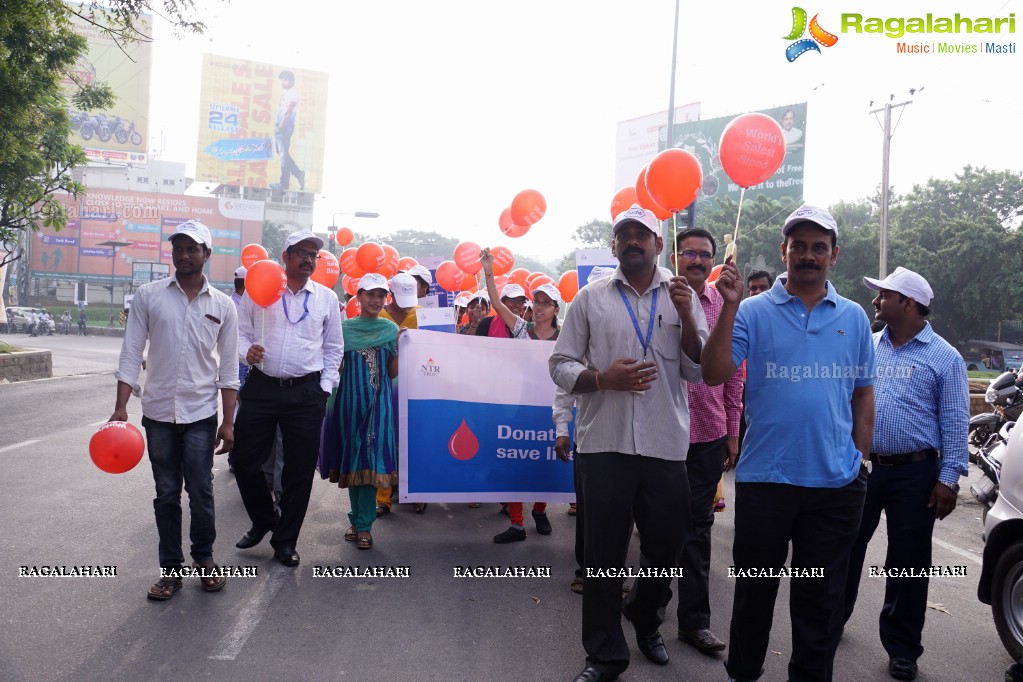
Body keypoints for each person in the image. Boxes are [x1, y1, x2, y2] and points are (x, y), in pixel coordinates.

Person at [701, 204, 875, 682]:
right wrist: (730, 305)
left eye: (819, 247)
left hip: (835, 487)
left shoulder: (855, 318)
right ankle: (744, 674)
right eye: (798, 246)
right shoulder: (753, 312)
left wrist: (860, 461)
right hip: (765, 482)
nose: (808, 255)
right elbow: (713, 372)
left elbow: (863, 394)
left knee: (819, 604)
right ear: (784, 251)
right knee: (754, 595)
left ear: (834, 256)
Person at [549, 204, 708, 682]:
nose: (634, 241)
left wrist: (687, 315)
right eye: (625, 235)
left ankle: (645, 618)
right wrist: (601, 379)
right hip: (604, 445)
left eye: (643, 234)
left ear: (660, 245)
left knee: (665, 549)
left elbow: (699, 372)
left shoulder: (683, 297)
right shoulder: (589, 299)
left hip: (665, 444)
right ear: (615, 244)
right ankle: (604, 655)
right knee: (602, 556)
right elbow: (559, 364)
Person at [842, 267, 969, 682]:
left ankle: (902, 649)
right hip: (863, 466)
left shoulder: (945, 358)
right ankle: (829, 620)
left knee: (908, 562)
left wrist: (948, 479)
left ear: (908, 304)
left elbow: (954, 421)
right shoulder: (868, 346)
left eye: (885, 296)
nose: (876, 302)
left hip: (916, 474)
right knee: (844, 548)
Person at [110, 219, 239, 600]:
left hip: (201, 412)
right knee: (166, 492)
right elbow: (132, 351)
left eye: (192, 249)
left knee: (200, 490)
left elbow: (229, 369)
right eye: (178, 248)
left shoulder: (223, 306)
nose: (183, 255)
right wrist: (120, 407)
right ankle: (170, 571)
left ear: (207, 254)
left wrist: (228, 422)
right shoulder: (148, 296)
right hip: (159, 413)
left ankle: (204, 560)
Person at [232, 229, 343, 567]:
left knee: (297, 472)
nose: (309, 259)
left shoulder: (325, 298)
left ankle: (285, 541)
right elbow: (240, 333)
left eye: (314, 255)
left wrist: (325, 386)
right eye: (303, 253)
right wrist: (244, 353)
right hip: (262, 387)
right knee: (244, 461)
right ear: (286, 257)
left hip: (307, 394)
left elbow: (334, 347)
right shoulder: (260, 290)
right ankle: (264, 517)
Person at [668, 228, 743, 655]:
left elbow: (735, 376)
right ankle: (648, 604)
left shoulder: (725, 306)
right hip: (659, 433)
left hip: (708, 434)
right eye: (690, 253)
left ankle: (694, 623)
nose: (697, 260)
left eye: (705, 255)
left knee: (698, 528)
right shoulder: (656, 299)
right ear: (675, 255)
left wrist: (732, 432)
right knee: (660, 527)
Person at [482, 248, 561, 542]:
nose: (539, 307)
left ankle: (540, 510)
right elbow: (495, 302)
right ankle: (517, 523)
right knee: (515, 461)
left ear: (556, 309)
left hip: (552, 409)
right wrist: (489, 271)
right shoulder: (520, 330)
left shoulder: (565, 336)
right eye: (536, 302)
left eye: (546, 303)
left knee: (546, 460)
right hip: (518, 407)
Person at [318, 273, 399, 550]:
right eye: (370, 294)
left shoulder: (390, 330)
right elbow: (334, 367)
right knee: (354, 462)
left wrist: (400, 349)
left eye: (381, 295)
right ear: (359, 297)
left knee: (371, 461)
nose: (376, 300)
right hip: (350, 405)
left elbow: (391, 372)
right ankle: (356, 520)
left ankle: (364, 525)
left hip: (379, 406)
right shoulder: (343, 329)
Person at [375, 271, 424, 515]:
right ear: (390, 295)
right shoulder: (379, 317)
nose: (406, 308)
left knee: (414, 440)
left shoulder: (422, 314)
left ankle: (415, 492)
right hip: (386, 386)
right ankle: (383, 496)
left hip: (417, 385)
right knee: (386, 439)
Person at [272, 70, 305, 191]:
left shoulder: (293, 94)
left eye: (285, 80)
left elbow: (287, 113)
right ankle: (298, 173)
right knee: (282, 153)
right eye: (281, 79)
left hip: (285, 126)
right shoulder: (287, 92)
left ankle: (284, 183)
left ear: (291, 81)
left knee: (283, 155)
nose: (282, 82)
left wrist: (280, 127)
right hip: (281, 125)